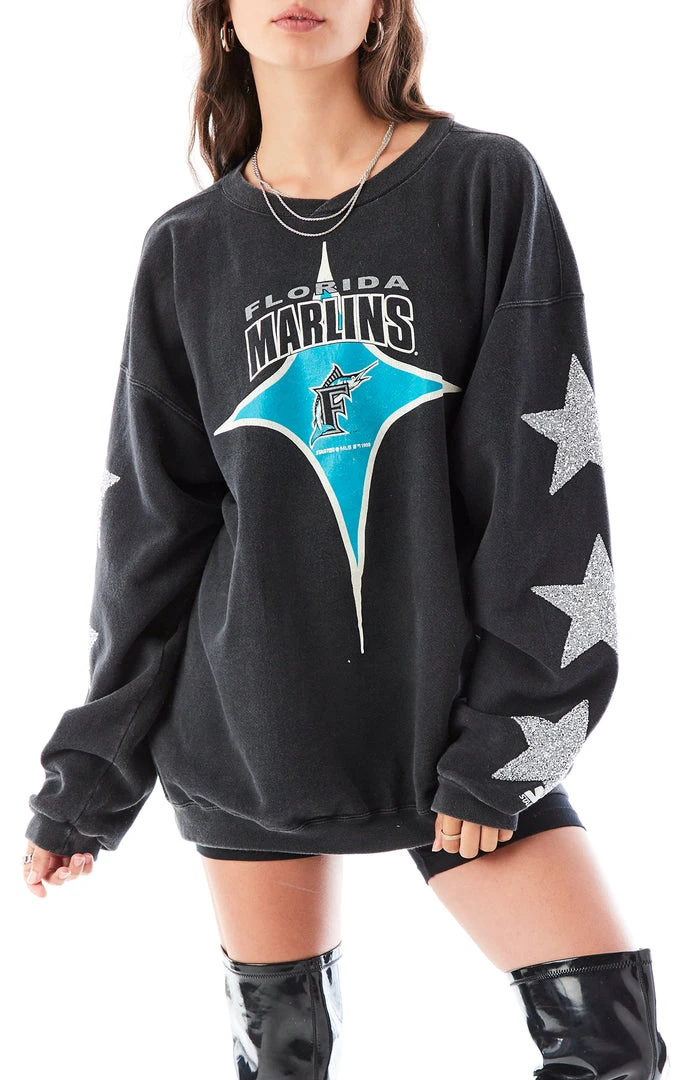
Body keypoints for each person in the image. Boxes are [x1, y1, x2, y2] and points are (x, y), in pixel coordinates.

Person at [23, 2, 670, 1078]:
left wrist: (513, 738)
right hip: (249, 733)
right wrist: (88, 777)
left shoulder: (483, 184)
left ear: (382, 8)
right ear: (222, 13)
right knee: (283, 1061)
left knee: (609, 1048)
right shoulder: (187, 248)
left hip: (448, 721)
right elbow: (151, 534)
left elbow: (547, 488)